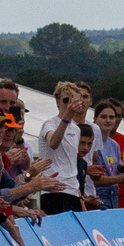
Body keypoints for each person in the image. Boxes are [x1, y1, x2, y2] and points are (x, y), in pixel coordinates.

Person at [31, 84, 91, 216]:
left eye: (73, 100)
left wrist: (80, 196)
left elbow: (71, 163)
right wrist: (66, 118)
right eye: (65, 100)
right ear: (58, 102)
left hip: (72, 190)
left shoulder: (76, 129)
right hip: (54, 190)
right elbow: (53, 142)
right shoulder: (50, 123)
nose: (69, 105)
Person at [84, 100, 124, 209]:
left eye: (111, 117)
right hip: (96, 195)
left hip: (113, 195)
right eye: (103, 117)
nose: (108, 120)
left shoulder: (114, 145)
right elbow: (94, 178)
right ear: (95, 119)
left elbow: (117, 171)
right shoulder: (88, 142)